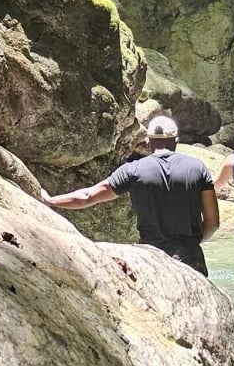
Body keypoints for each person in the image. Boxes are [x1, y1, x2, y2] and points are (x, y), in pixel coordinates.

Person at [39, 117, 220, 276]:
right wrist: (193, 243)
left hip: (152, 258)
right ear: (176, 141)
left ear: (149, 141)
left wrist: (50, 201)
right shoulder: (198, 168)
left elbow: (88, 196)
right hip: (190, 257)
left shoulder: (132, 170)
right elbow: (213, 223)